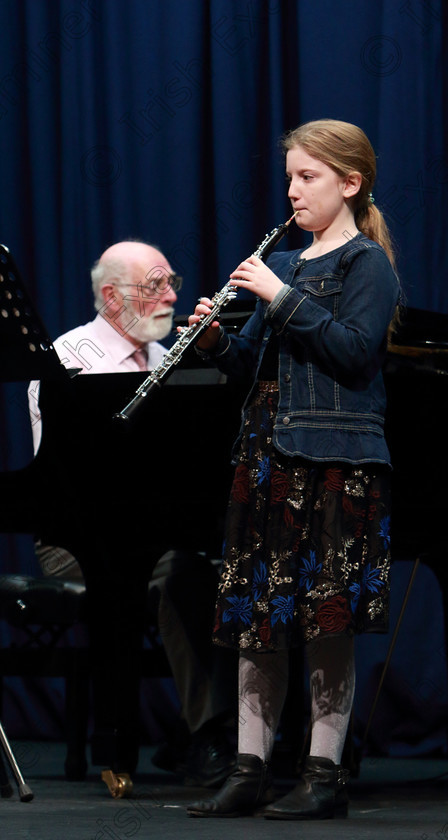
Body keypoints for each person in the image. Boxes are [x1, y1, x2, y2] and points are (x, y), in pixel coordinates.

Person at [184, 119, 401, 820]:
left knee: (324, 620)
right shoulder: (291, 264)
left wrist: (278, 297)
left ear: (349, 183)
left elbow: (353, 350)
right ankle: (248, 770)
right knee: (259, 615)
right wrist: (216, 339)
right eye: (290, 177)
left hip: (334, 462)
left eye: (307, 177)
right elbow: (253, 365)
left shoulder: (366, 264)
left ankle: (323, 774)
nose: (292, 191)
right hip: (269, 456)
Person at [28, 240, 236, 787]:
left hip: (155, 532)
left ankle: (223, 735)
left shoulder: (167, 361)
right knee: (182, 573)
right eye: (155, 286)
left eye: (172, 283)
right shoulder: (70, 360)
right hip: (73, 537)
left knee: (219, 570)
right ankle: (208, 732)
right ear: (112, 299)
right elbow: (65, 485)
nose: (172, 296)